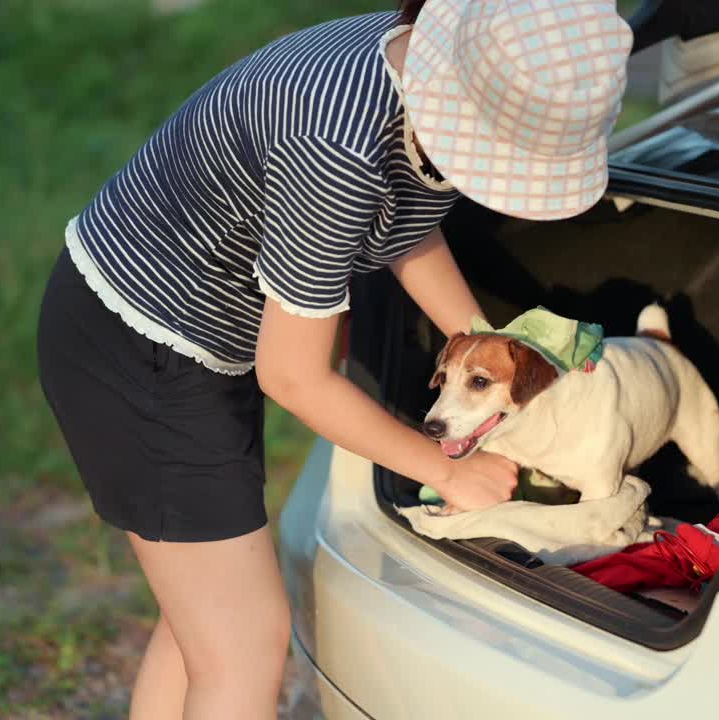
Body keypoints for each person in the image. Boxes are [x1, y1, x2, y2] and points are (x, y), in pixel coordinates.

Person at [35, 0, 632, 716]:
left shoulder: (420, 62)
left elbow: (406, 229)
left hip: (196, 346)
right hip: (141, 348)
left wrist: (497, 345)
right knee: (248, 640)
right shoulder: (336, 149)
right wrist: (450, 469)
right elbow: (291, 375)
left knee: (203, 620)